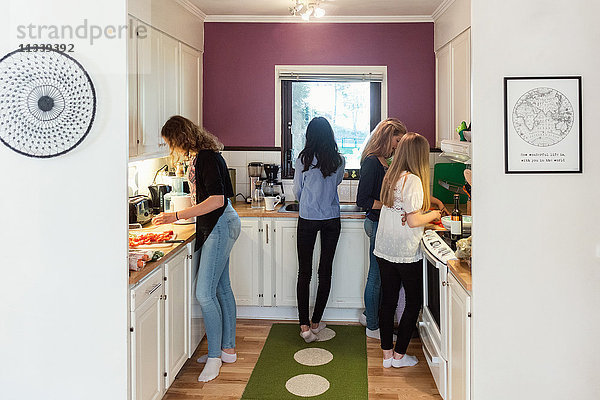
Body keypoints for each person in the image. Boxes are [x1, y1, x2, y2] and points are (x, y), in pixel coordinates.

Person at [153, 116, 241, 382]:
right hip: (217, 223)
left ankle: (214, 357)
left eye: (171, 143)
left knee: (204, 293)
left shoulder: (206, 158)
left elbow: (216, 199)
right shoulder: (202, 156)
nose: (172, 149)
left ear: (180, 138)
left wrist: (175, 216)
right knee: (221, 288)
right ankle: (227, 350)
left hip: (220, 223)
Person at [374, 132, 441, 368]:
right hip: (404, 250)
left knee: (388, 301)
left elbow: (405, 212)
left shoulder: (391, 176)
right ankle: (400, 355)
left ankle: (386, 355)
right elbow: (413, 221)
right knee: (414, 301)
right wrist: (434, 214)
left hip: (384, 247)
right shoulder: (413, 180)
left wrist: (418, 215)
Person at [293, 117, 345, 343]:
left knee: (304, 272)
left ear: (309, 136)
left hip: (307, 217)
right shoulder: (339, 160)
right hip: (331, 218)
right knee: (325, 271)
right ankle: (316, 321)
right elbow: (337, 183)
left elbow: (297, 189)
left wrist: (308, 201)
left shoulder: (303, 159)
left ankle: (304, 326)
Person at [356, 118, 407, 340]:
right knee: (376, 277)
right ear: (387, 137)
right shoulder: (371, 162)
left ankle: (370, 316)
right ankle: (373, 328)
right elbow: (363, 199)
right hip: (376, 224)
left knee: (382, 276)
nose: (398, 145)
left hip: (383, 224)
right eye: (397, 140)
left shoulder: (385, 160)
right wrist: (389, 203)